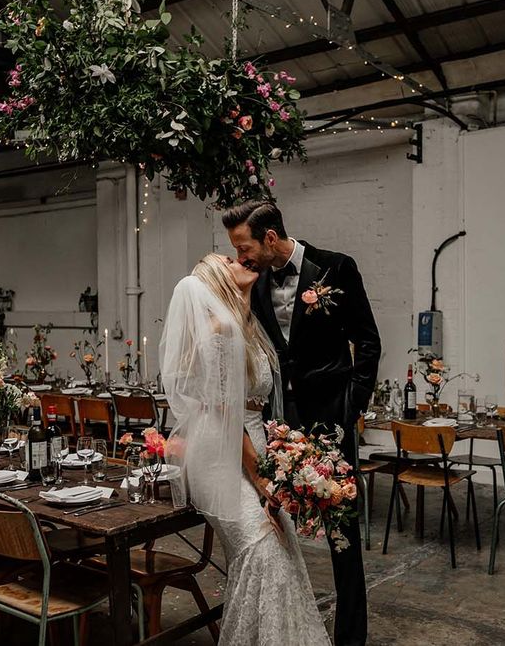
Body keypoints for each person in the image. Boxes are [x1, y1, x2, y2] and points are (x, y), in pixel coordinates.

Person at [223, 200, 381, 646]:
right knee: (274, 525)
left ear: (269, 237)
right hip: (280, 425)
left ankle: (351, 638)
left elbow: (368, 343)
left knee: (342, 534)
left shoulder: (336, 269)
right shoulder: (254, 283)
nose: (240, 257)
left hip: (332, 420)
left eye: (244, 246)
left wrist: (351, 409)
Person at [160, 253, 332, 645]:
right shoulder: (219, 327)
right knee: (263, 551)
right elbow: (224, 412)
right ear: (219, 276)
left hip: (250, 444)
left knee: (282, 548)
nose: (239, 259)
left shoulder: (247, 324)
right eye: (228, 259)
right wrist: (259, 477)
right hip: (220, 453)